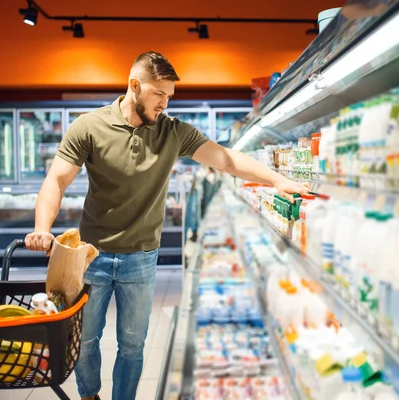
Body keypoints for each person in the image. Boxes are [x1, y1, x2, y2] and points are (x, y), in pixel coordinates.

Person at [25, 51, 310, 400]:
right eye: (159, 94)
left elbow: (226, 158)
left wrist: (276, 180)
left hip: (142, 258)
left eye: (169, 96)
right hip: (91, 256)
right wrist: (42, 227)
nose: (165, 103)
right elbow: (56, 180)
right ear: (134, 86)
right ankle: (89, 395)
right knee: (84, 340)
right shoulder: (88, 126)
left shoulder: (173, 133)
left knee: (132, 344)